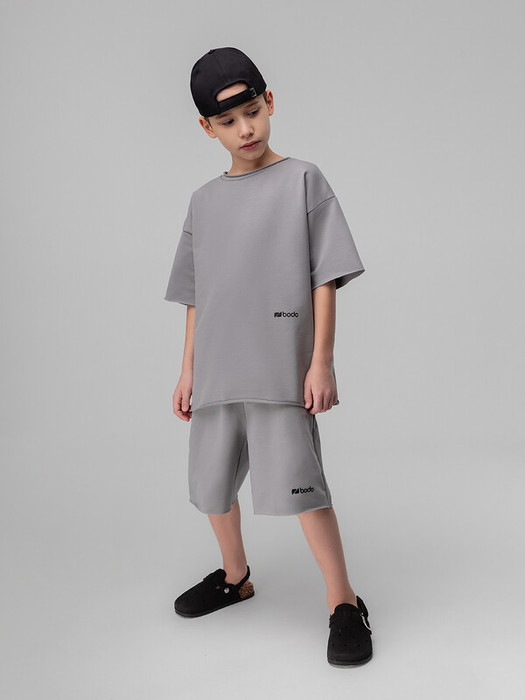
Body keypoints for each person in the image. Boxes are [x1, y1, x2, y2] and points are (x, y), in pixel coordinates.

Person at [163, 46, 372, 667]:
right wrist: (187, 370)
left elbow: (325, 277)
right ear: (208, 128)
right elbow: (197, 295)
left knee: (304, 489)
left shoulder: (304, 180)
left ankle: (344, 602)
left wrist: (321, 361)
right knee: (211, 488)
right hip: (218, 373)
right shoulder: (203, 201)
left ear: (269, 102)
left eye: (252, 112)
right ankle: (235, 577)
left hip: (280, 371)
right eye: (228, 122)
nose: (245, 130)